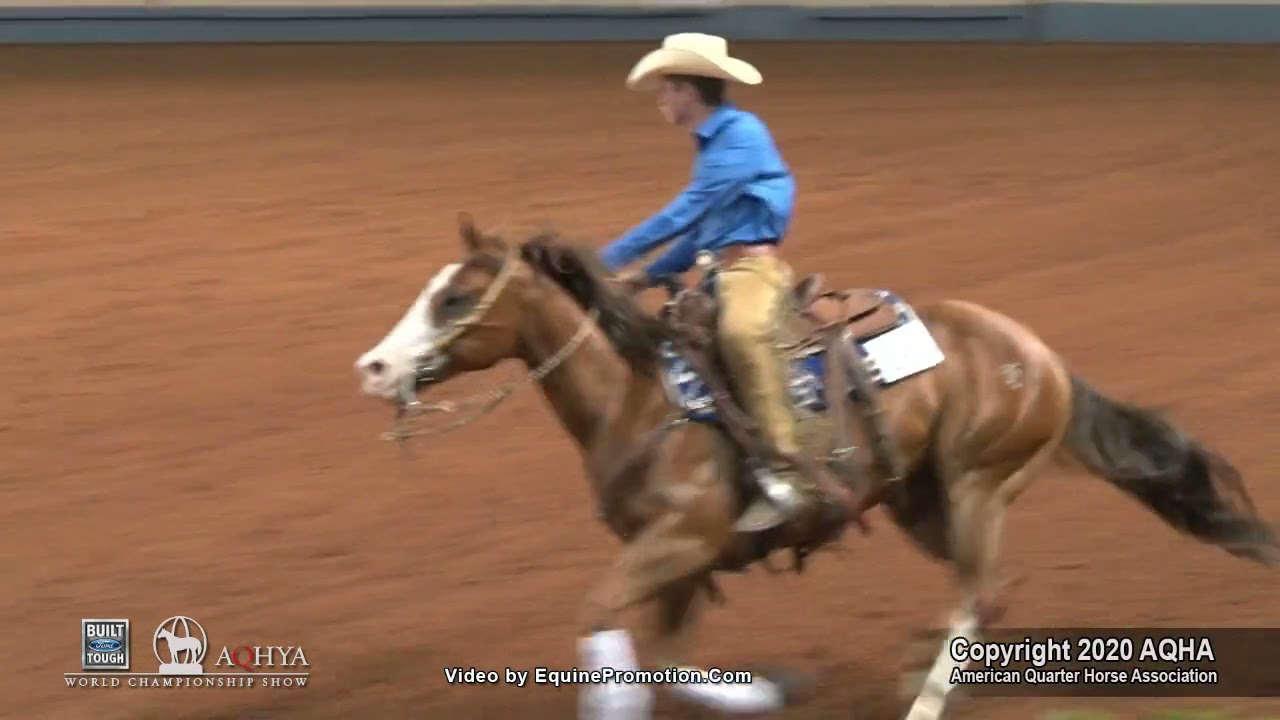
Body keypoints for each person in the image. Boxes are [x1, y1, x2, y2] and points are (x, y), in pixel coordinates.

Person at [599, 33, 817, 532]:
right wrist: (644, 278)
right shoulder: (718, 143)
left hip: (750, 270)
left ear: (689, 90)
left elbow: (686, 212)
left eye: (665, 88)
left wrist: (606, 259)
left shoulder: (740, 135)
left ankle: (790, 471)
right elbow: (701, 232)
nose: (660, 98)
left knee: (741, 334)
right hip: (719, 268)